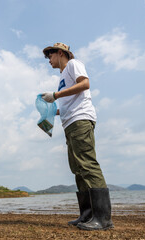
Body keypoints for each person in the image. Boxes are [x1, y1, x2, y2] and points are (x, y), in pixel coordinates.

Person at [41, 42, 114, 231]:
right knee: (77, 168)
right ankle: (87, 215)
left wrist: (55, 95)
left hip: (81, 119)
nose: (48, 60)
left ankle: (103, 219)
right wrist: (49, 113)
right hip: (70, 123)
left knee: (87, 164)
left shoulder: (73, 64)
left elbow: (85, 84)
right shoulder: (62, 78)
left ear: (60, 53)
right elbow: (67, 103)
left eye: (50, 56)